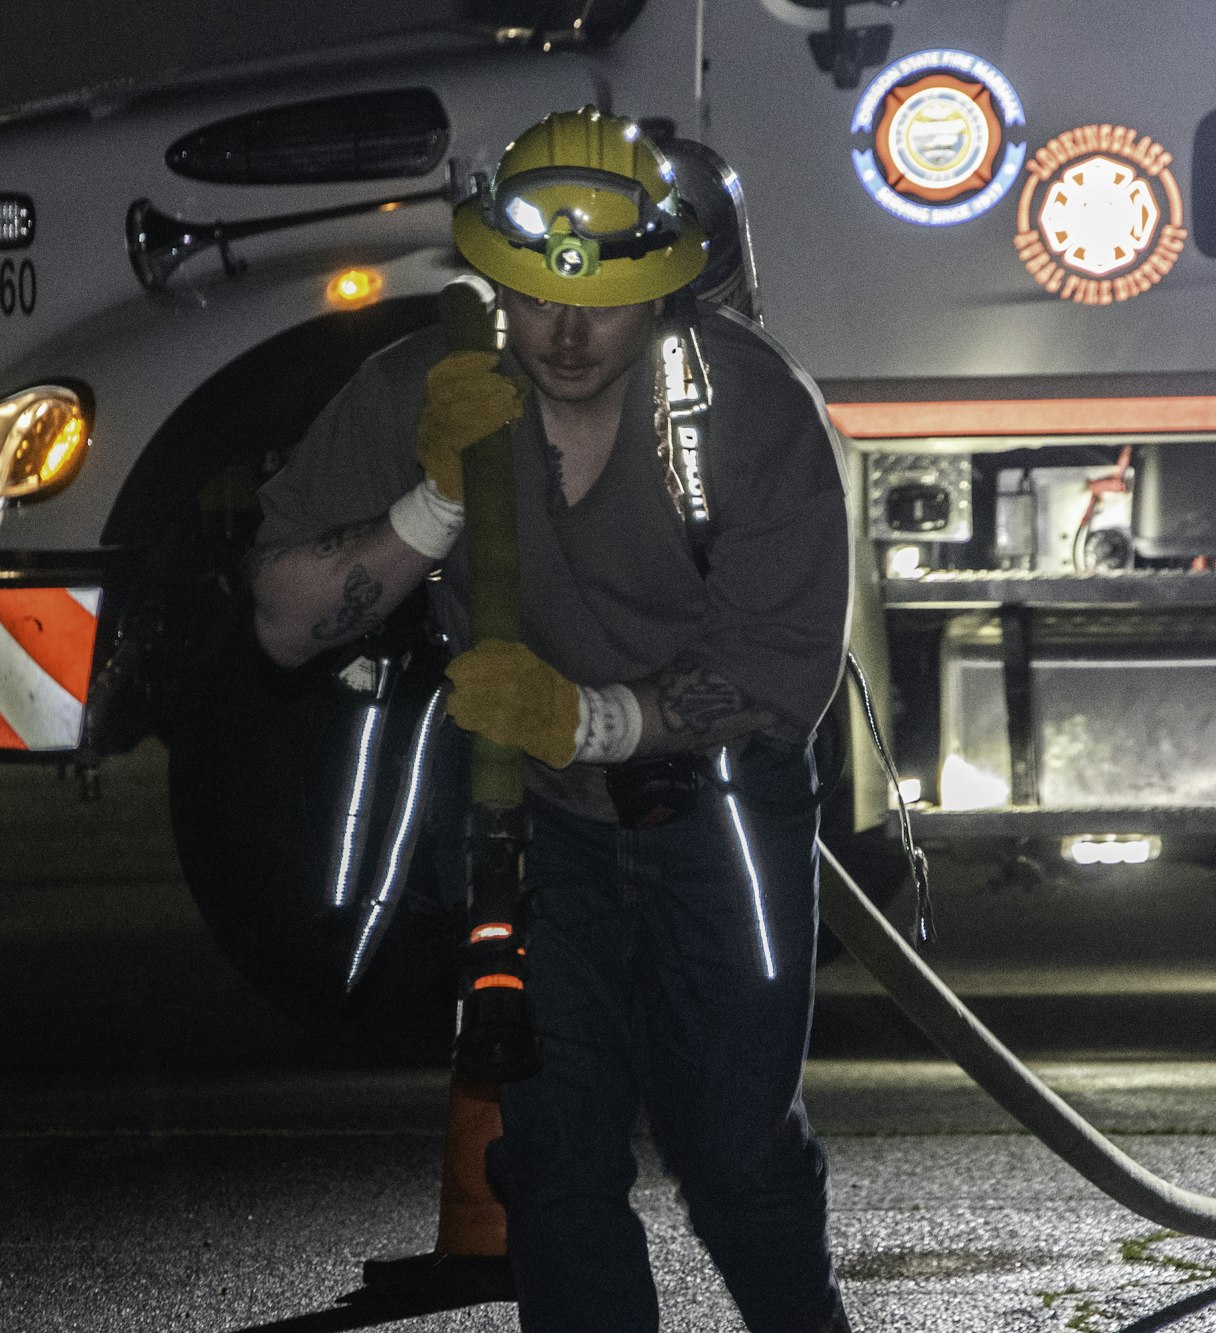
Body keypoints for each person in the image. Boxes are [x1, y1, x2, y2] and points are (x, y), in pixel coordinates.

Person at [251, 107, 853, 1333]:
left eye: (605, 301)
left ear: (668, 286)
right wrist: (430, 505)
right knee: (559, 1160)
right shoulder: (425, 392)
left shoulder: (744, 408)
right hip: (534, 831)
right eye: (533, 298)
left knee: (736, 1158)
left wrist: (587, 720)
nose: (568, 334)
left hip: (720, 811)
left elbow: (784, 669)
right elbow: (281, 618)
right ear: (490, 278)